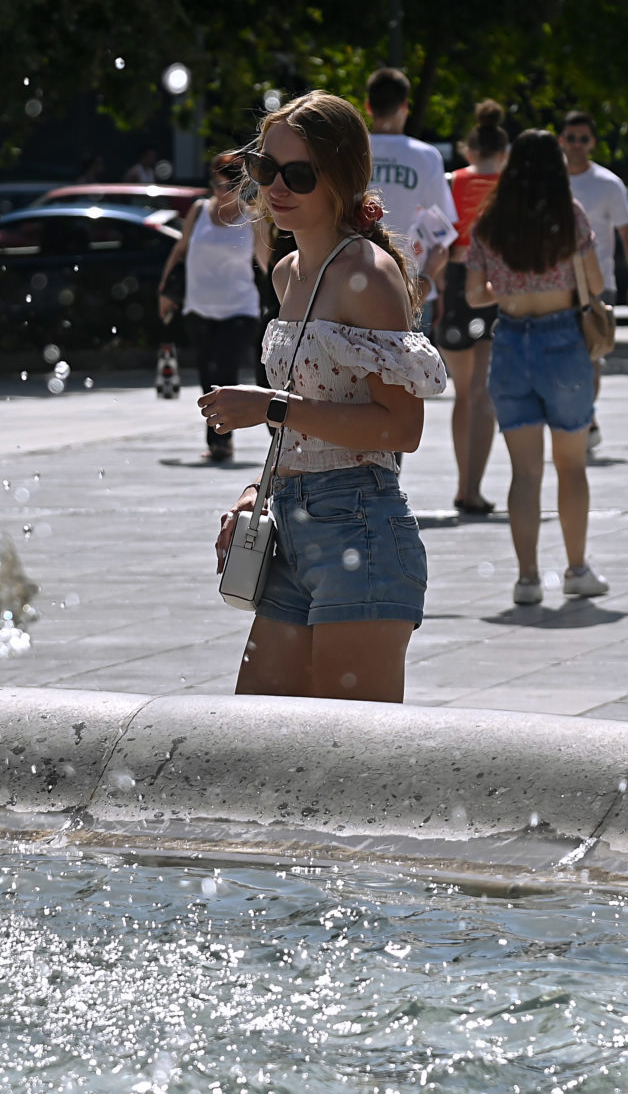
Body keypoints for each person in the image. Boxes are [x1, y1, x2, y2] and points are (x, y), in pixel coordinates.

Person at [204, 91, 449, 703]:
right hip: (290, 521)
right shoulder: (287, 272)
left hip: (359, 528)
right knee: (256, 742)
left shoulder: (366, 272)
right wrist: (255, 489)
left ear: (340, 177)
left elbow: (400, 431)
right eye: (266, 170)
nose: (276, 187)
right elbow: (307, 421)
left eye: (299, 174)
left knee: (352, 766)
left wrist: (269, 407)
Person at [464, 130, 610, 605]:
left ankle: (527, 579)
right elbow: (596, 282)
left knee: (524, 473)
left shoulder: (490, 222)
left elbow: (474, 295)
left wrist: (509, 286)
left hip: (509, 343)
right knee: (571, 466)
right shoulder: (569, 217)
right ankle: (576, 569)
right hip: (563, 341)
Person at [159, 152, 272, 463]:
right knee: (207, 377)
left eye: (228, 186)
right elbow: (180, 250)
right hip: (198, 307)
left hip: (239, 309)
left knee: (225, 371)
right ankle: (218, 438)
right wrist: (164, 291)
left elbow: (265, 264)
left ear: (241, 185)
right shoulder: (198, 211)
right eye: (216, 185)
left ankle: (222, 442)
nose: (221, 193)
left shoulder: (253, 219)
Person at [435, 99, 505, 513]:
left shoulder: (453, 181)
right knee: (484, 393)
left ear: (469, 149)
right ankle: (472, 488)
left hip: (459, 282)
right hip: (497, 285)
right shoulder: (512, 183)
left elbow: (441, 234)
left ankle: (464, 485)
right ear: (504, 152)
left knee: (463, 394)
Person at [559, 111, 628, 453]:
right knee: (564, 356)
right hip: (555, 284)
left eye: (584, 138)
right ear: (561, 140)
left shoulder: (607, 183)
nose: (577, 145)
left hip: (598, 283)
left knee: (590, 356)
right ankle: (574, 416)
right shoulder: (550, 180)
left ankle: (586, 416)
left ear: (592, 143)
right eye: (571, 137)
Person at [363, 67, 457, 330]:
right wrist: (438, 285)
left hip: (355, 276)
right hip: (412, 282)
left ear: (368, 106)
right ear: (405, 105)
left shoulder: (351, 151)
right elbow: (440, 231)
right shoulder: (426, 156)